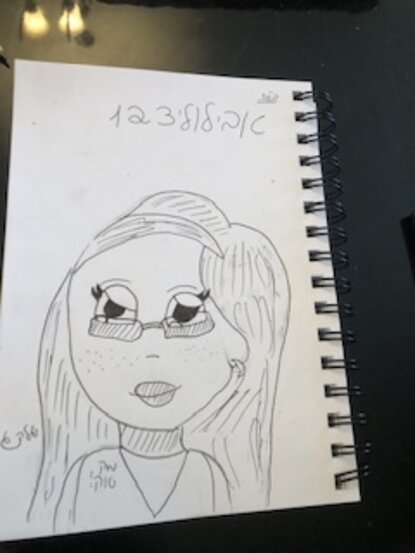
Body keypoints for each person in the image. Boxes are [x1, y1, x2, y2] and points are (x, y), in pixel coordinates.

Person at [28, 190, 290, 533]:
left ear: (237, 358)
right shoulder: (88, 472)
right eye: (114, 311)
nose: (152, 349)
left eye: (186, 314)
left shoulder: (207, 473)